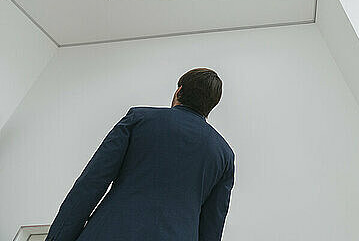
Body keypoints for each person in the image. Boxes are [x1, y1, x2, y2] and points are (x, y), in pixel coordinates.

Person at [46, 68, 234, 241]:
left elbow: (91, 183)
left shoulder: (139, 119)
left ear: (179, 91)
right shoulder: (224, 154)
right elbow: (212, 225)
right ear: (211, 106)